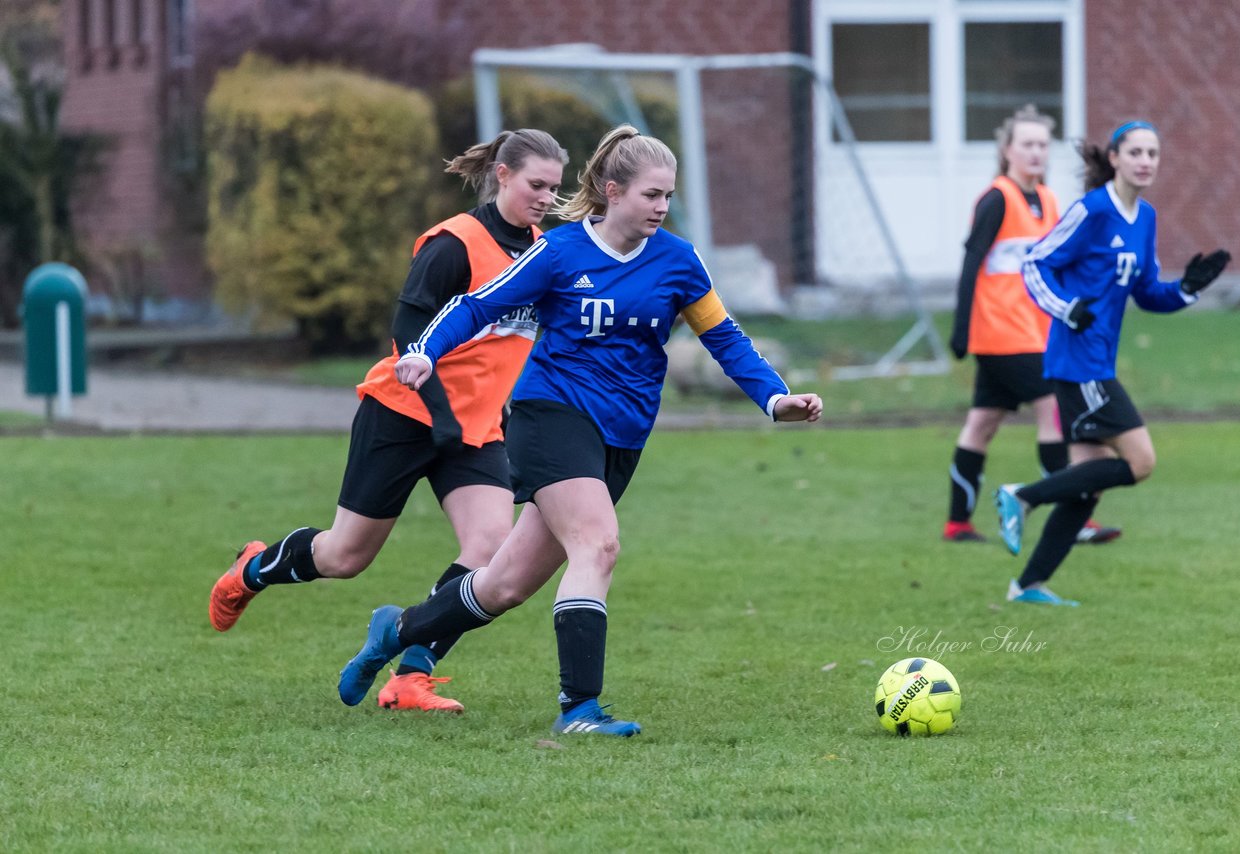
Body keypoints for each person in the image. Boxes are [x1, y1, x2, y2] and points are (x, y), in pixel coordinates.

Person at [334, 124, 824, 736]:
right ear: (613, 191)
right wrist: (427, 351)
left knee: (505, 585)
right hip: (552, 416)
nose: (662, 207)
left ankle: (397, 631)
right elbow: (476, 305)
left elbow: (724, 338)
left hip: (622, 437)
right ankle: (580, 710)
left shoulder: (678, 260)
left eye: (669, 196)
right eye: (651, 195)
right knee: (598, 545)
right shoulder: (561, 252)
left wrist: (775, 398)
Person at [208, 129, 569, 711]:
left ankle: (410, 675)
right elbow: (408, 335)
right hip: (402, 415)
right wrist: (441, 413)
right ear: (501, 175)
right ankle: (253, 568)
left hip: (475, 430)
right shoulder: (455, 244)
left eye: (554, 188)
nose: (546, 198)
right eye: (536, 184)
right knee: (344, 557)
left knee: (490, 550)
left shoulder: (544, 251)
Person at [993, 120, 1230, 605]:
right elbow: (1036, 262)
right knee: (1141, 461)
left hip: (1098, 360)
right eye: (1136, 152)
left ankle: (1028, 586)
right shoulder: (1093, 209)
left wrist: (1187, 289)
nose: (1146, 161)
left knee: (1087, 487)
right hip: (1078, 362)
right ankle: (1024, 495)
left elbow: (1146, 292)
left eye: (1153, 153)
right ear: (1116, 158)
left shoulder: (1145, 218)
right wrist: (1066, 308)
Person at [944, 105, 1120, 546]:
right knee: (1053, 414)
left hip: (1036, 330)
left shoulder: (1050, 200)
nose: (1037, 152)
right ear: (1007, 151)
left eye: (1043, 144)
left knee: (982, 423)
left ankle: (957, 523)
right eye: (1027, 144)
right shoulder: (997, 198)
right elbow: (971, 263)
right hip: (1002, 334)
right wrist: (961, 328)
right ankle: (1072, 517)